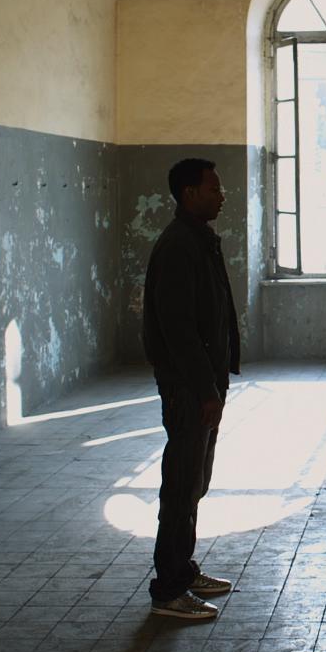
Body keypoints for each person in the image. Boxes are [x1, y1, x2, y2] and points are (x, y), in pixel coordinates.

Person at [141, 158, 241, 619]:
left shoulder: (198, 239)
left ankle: (183, 570)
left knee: (194, 482)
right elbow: (178, 331)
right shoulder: (179, 246)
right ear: (189, 193)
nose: (222, 195)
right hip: (189, 389)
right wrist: (204, 391)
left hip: (202, 385)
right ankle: (168, 589)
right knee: (181, 486)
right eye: (213, 188)